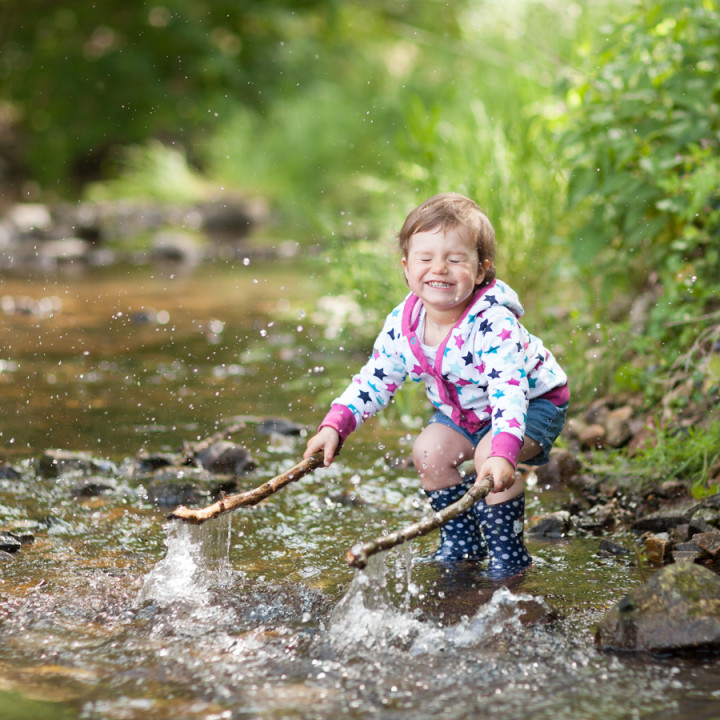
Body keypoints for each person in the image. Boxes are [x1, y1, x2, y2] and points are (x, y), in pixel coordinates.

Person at [304, 193, 569, 579]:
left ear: (481, 271)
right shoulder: (404, 323)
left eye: (456, 259)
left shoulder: (493, 323)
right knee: (428, 452)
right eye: (425, 259)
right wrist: (336, 424)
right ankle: (462, 547)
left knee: (487, 458)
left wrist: (503, 452)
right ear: (407, 267)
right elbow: (375, 377)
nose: (439, 269)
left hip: (533, 403)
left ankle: (509, 558)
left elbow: (508, 394)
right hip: (464, 411)